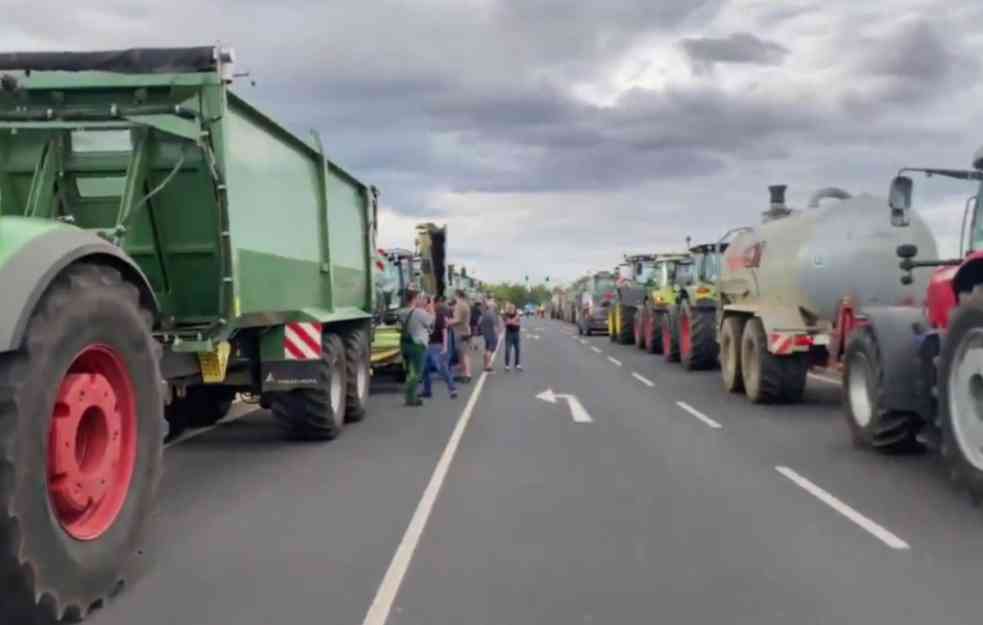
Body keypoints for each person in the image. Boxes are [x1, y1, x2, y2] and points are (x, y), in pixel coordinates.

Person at [400, 290, 433, 407]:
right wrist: (431, 305)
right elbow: (431, 321)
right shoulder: (419, 312)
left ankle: (409, 396)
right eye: (419, 297)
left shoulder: (402, 312)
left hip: (404, 344)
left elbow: (398, 328)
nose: (421, 300)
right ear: (414, 299)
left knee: (410, 371)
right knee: (416, 373)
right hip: (417, 345)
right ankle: (411, 398)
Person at [422, 296, 458, 399]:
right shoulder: (423, 316)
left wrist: (445, 346)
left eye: (427, 304)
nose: (426, 307)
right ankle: (427, 391)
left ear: (431, 304)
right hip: (425, 345)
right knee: (424, 369)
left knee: (441, 368)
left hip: (436, 345)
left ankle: (452, 389)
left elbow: (444, 331)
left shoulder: (439, 315)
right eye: (425, 305)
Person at [449, 289, 473, 383]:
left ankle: (467, 374)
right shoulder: (465, 304)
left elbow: (457, 319)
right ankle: (464, 374)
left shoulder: (459, 305)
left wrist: (448, 322)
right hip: (465, 331)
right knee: (463, 354)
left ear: (457, 295)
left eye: (454, 295)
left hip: (460, 332)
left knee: (463, 354)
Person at [479, 300, 501, 372]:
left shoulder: (485, 313)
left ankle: (485, 365)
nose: (495, 306)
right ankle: (488, 365)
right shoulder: (492, 314)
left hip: (486, 334)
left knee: (486, 349)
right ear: (492, 306)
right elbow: (495, 325)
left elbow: (480, 323)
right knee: (490, 350)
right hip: (492, 334)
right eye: (494, 305)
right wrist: (497, 335)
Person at [503, 302, 523, 371]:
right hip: (509, 334)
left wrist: (512, 321)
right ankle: (507, 365)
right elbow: (507, 323)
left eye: (513, 308)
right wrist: (514, 320)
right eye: (511, 308)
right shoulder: (506, 315)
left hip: (516, 333)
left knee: (517, 349)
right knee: (508, 349)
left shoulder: (516, 314)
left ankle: (517, 364)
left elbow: (518, 324)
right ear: (509, 309)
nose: (512, 309)